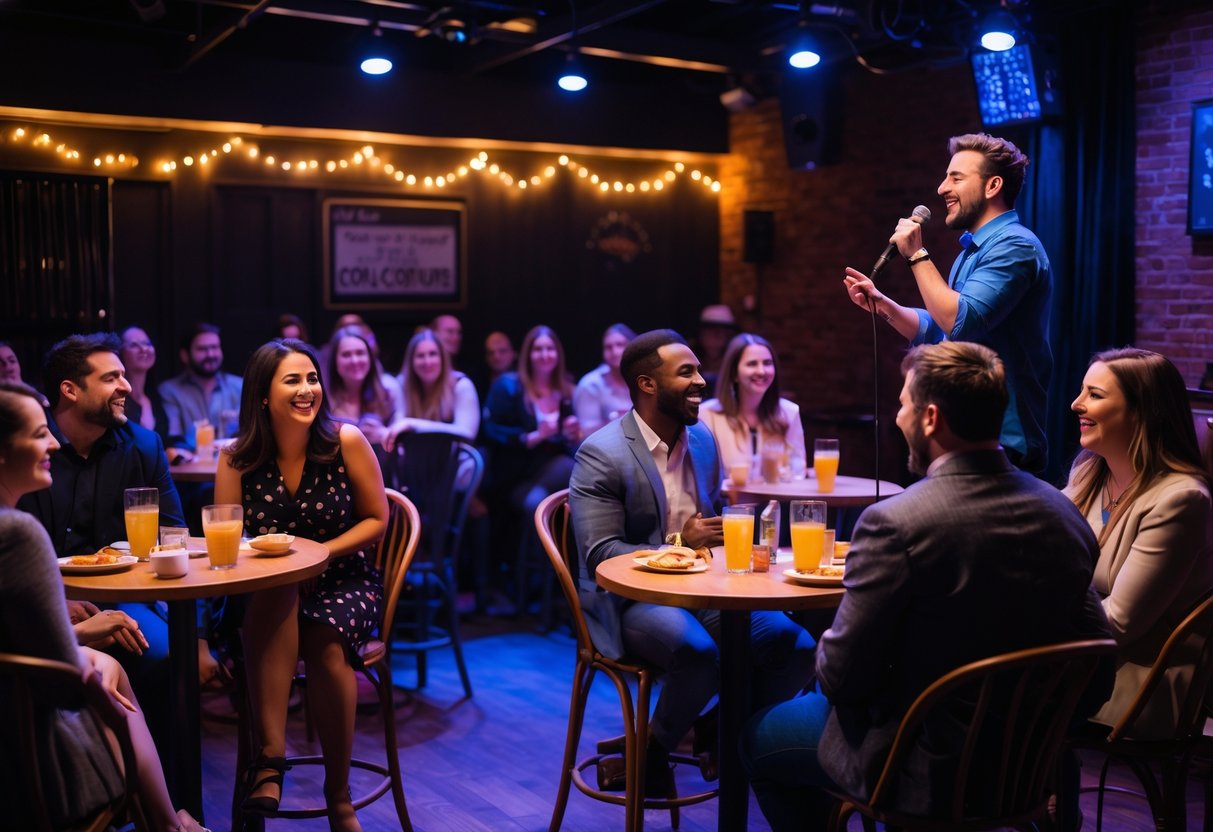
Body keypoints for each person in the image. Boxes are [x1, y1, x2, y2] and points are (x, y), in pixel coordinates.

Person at [740, 341, 1113, 829]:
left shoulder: (896, 523)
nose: (898, 418)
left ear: (931, 417)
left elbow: (842, 677)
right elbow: (1097, 661)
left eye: (902, 404)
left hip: (921, 762)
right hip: (1027, 760)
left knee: (755, 737)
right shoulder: (1063, 514)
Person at [569, 329, 815, 796]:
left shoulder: (702, 439)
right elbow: (600, 553)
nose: (702, 381)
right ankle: (651, 754)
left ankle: (719, 730)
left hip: (703, 588)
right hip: (633, 596)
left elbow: (714, 526)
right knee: (698, 655)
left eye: (700, 369)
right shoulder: (602, 452)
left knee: (796, 646)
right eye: (687, 372)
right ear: (646, 384)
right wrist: (679, 541)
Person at [0, 380, 209, 832]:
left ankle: (171, 823)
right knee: (116, 672)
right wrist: (93, 653)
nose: (53, 442)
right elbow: (60, 683)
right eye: (39, 435)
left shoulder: (139, 444)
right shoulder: (17, 534)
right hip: (28, 744)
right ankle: (172, 824)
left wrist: (85, 646)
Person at [215, 339, 387, 830]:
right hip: (267, 581)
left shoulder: (344, 441)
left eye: (312, 378)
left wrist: (320, 555)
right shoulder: (236, 458)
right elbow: (229, 535)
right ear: (263, 396)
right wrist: (284, 565)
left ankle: (338, 796)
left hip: (343, 578)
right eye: (293, 380)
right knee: (277, 589)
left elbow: (379, 517)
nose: (307, 389)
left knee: (325, 640)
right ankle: (271, 756)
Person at [843, 132, 1052, 473]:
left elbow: (960, 320)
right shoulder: (971, 252)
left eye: (956, 177)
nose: (941, 188)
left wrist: (917, 255)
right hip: (965, 435)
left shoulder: (1015, 246)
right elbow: (943, 331)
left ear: (993, 185)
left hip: (1003, 442)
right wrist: (882, 304)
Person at [1065, 347, 1213, 738]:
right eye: (1083, 392)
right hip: (1083, 659)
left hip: (1137, 680)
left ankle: (1038, 794)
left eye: (1095, 395)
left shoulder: (1181, 499)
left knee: (985, 694)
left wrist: (1032, 628)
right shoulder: (1087, 473)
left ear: (1141, 411)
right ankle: (1042, 794)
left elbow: (1120, 624)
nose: (1076, 404)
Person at [699, 332, 806, 477]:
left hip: (776, 499)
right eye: (752, 364)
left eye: (767, 363)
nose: (762, 371)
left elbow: (798, 473)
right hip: (729, 500)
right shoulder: (707, 414)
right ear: (734, 374)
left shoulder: (789, 412)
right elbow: (703, 477)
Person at [159, 322, 244, 459]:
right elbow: (174, 439)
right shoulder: (170, 390)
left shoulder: (239, 386)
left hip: (234, 466)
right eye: (202, 349)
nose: (210, 354)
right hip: (190, 474)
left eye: (214, 347)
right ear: (185, 355)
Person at [383, 328, 479, 448]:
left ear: (443, 358)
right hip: (414, 460)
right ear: (411, 361)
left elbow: (467, 433)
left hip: (453, 461)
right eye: (420, 356)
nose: (427, 362)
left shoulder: (461, 385)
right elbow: (395, 426)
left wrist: (413, 424)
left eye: (433, 354)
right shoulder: (401, 385)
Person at [325, 325, 403, 448]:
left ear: (370, 358)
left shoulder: (388, 392)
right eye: (346, 355)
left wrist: (384, 434)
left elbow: (402, 446)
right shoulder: (323, 399)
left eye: (360, 353)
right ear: (334, 361)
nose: (355, 360)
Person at [573, 323, 636, 438]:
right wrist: (616, 420)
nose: (615, 352)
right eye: (608, 347)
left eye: (620, 345)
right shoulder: (590, 385)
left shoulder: (642, 377)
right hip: (605, 451)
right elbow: (584, 435)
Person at [119, 325, 172, 449]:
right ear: (121, 352)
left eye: (147, 344)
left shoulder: (155, 397)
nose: (144, 349)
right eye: (134, 345)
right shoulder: (116, 400)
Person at [694, 304, 739, 397]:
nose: (715, 333)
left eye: (721, 328)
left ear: (729, 333)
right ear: (700, 332)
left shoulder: (738, 362)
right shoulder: (688, 358)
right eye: (709, 328)